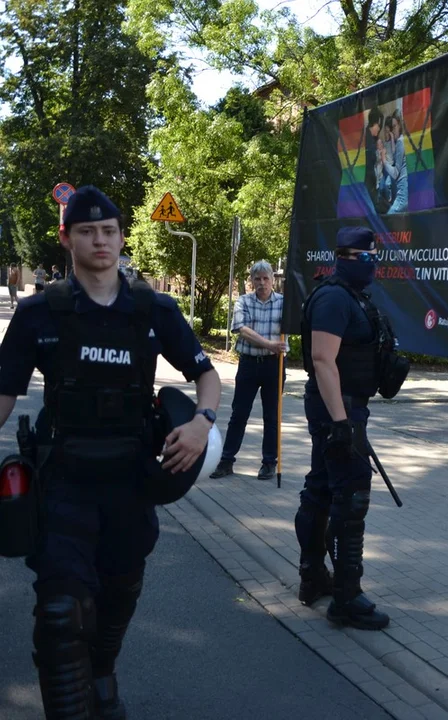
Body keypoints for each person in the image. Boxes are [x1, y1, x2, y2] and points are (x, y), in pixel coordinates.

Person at [0, 185, 222, 718]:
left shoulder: (153, 307)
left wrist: (202, 422)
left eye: (109, 231)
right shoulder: (37, 314)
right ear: (65, 238)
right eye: (86, 231)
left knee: (118, 593)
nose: (100, 240)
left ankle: (103, 675)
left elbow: (208, 376)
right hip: (63, 482)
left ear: (122, 237)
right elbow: (3, 397)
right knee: (60, 612)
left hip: (131, 483)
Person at [293, 226, 391, 630]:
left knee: (320, 488)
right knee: (351, 496)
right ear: (351, 257)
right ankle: (346, 598)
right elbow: (322, 360)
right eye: (369, 259)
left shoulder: (344, 294)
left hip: (343, 410)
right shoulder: (334, 297)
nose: (374, 266)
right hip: (339, 411)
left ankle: (313, 576)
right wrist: (340, 423)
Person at [209, 260, 286, 481]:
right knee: (239, 414)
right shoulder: (243, 301)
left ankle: (269, 463)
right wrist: (270, 344)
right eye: (257, 279)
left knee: (272, 416)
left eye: (265, 278)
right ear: (251, 281)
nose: (262, 283)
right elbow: (242, 330)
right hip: (249, 364)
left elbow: (299, 325)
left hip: (275, 365)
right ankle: (226, 461)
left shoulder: (285, 303)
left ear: (273, 278)